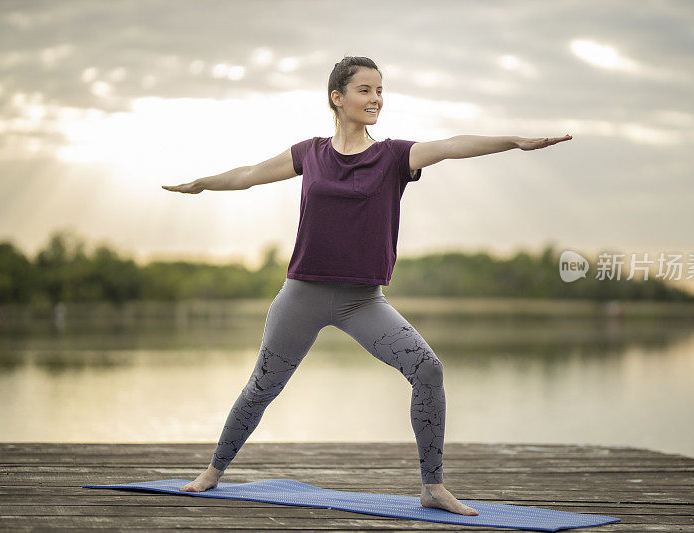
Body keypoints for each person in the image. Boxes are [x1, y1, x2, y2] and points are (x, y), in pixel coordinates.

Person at [162, 55, 571, 516]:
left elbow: (452, 145)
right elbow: (248, 175)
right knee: (262, 386)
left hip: (363, 301)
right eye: (365, 90)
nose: (375, 99)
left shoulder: (394, 156)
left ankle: (432, 486)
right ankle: (213, 472)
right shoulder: (309, 153)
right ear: (337, 98)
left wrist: (512, 141)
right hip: (302, 295)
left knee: (428, 370)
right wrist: (202, 184)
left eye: (380, 90)